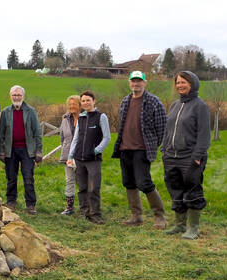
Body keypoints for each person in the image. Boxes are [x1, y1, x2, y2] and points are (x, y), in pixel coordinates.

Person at [112, 70, 168, 229]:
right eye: (133, 81)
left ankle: (159, 216)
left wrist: (153, 146)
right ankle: (136, 216)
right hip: (125, 149)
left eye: (139, 81)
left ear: (145, 82)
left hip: (142, 150)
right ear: (129, 83)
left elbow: (163, 129)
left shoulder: (153, 102)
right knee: (128, 182)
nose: (136, 84)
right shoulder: (125, 101)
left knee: (144, 183)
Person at [161, 71, 211, 239]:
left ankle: (193, 228)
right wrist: (164, 150)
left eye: (184, 82)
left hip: (190, 157)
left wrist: (197, 156)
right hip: (171, 156)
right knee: (175, 190)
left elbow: (204, 135)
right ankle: (180, 225)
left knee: (192, 190)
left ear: (193, 84)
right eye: (178, 82)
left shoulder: (200, 106)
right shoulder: (175, 105)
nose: (180, 85)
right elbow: (168, 130)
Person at [68, 90, 111, 224]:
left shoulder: (101, 117)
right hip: (79, 158)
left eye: (88, 100)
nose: (86, 102)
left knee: (93, 188)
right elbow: (76, 138)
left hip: (93, 159)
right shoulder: (80, 117)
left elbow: (107, 137)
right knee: (82, 187)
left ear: (94, 101)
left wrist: (96, 150)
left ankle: (95, 214)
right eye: (83, 101)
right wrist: (71, 155)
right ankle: (84, 212)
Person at [0, 85, 42, 215]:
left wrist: (38, 151)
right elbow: (0, 134)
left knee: (28, 177)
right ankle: (11, 202)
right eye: (14, 95)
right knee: (11, 177)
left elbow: (37, 132)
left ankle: (31, 204)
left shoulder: (31, 111)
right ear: (10, 96)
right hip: (10, 150)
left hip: (28, 150)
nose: (16, 97)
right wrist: (1, 151)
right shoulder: (5, 112)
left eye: (19, 95)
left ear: (23, 96)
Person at [58, 95, 81, 215]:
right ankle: (69, 207)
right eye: (70, 104)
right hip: (68, 156)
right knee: (69, 180)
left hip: (82, 155)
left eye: (74, 104)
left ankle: (86, 207)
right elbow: (62, 138)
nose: (72, 106)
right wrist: (66, 151)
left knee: (83, 181)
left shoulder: (85, 117)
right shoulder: (65, 119)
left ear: (80, 105)